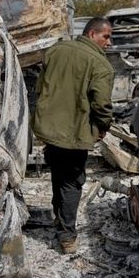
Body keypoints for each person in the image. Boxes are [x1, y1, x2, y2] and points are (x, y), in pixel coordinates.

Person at [32, 17, 114, 254]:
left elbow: (40, 87)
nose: (109, 42)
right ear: (91, 34)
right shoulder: (100, 65)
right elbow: (102, 104)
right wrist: (103, 126)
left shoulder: (56, 50)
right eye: (106, 36)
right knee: (72, 181)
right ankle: (67, 237)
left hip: (49, 129)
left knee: (58, 175)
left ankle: (60, 221)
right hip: (74, 132)